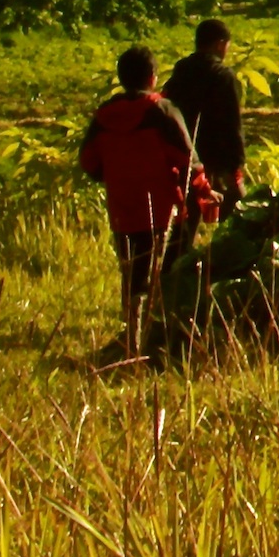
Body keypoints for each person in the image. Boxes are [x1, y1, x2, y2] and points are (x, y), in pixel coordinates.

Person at [77, 46, 200, 359]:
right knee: (165, 274)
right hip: (162, 209)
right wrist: (202, 190)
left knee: (132, 275)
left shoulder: (104, 116)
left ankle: (132, 339)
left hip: (123, 208)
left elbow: (89, 162)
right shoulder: (162, 111)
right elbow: (189, 162)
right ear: (153, 77)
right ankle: (159, 340)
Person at [163, 18, 246, 213]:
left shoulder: (181, 70)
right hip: (214, 156)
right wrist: (236, 164)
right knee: (234, 206)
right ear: (220, 44)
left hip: (185, 155)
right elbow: (232, 123)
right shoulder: (222, 75)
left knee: (189, 212)